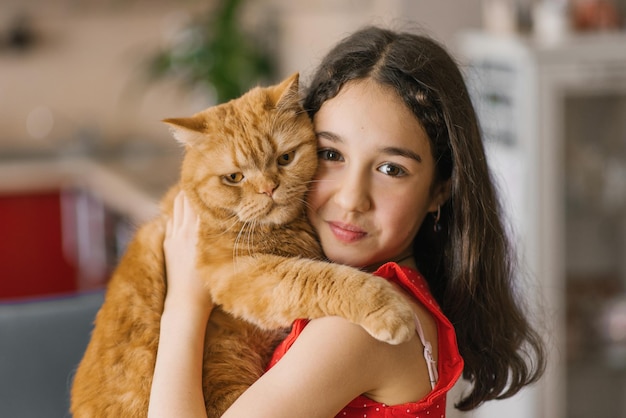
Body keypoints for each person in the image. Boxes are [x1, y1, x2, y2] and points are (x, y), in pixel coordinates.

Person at [148, 25, 546, 417]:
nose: (351, 199)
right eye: (331, 155)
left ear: (440, 190)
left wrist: (184, 301)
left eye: (391, 169)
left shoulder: (357, 327)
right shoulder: (404, 294)